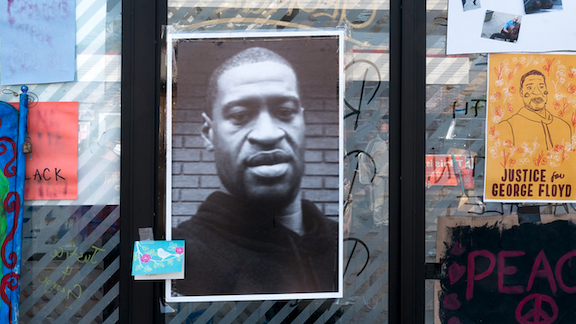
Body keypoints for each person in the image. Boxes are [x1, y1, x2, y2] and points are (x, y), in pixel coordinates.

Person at [172, 47, 339, 296]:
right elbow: (147, 304)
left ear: (302, 123)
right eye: (240, 116)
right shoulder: (175, 251)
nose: (267, 134)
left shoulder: (347, 244)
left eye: (285, 113)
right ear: (209, 133)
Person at [498, 70, 572, 150]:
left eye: (541, 87)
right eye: (529, 87)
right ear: (521, 92)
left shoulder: (564, 126)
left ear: (546, 91)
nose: (537, 92)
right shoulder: (507, 126)